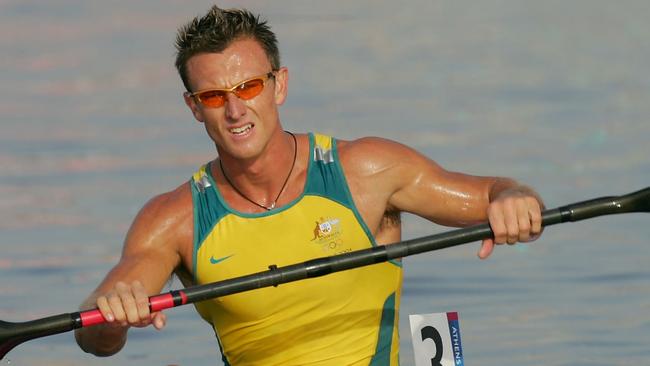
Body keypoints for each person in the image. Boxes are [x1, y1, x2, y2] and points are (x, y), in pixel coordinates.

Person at [75, 5, 544, 365]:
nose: (235, 111)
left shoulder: (366, 171)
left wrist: (513, 199)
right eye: (215, 96)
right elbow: (95, 334)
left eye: (250, 88)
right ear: (194, 107)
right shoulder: (174, 219)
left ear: (279, 85)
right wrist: (112, 315)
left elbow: (493, 193)